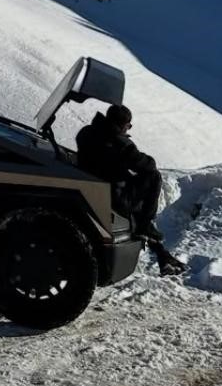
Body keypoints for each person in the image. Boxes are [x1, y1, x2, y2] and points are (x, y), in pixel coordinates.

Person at [76, 103, 184, 276]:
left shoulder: (87, 132)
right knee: (153, 177)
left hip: (92, 183)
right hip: (114, 195)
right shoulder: (119, 143)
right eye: (128, 126)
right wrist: (124, 140)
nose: (128, 129)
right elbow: (147, 165)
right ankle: (146, 224)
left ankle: (158, 249)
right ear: (122, 124)